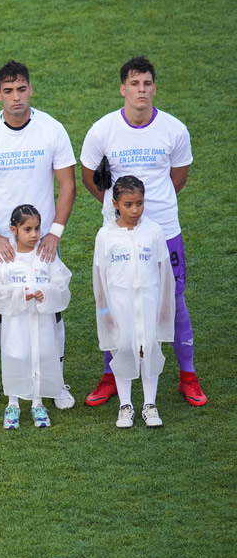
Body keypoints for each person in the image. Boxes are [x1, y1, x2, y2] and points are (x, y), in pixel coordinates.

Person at [79, 56, 203, 407]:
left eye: (147, 84)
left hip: (163, 230)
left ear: (154, 88)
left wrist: (148, 214)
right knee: (111, 301)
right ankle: (111, 375)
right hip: (116, 233)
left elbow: (178, 178)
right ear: (123, 89)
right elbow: (90, 177)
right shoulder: (102, 130)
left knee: (174, 299)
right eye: (134, 84)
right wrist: (120, 212)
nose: (141, 90)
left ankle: (188, 377)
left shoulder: (174, 129)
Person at [0, 61, 76, 413]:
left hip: (41, 243)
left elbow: (67, 184)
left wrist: (54, 233)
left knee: (50, 308)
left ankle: (56, 382)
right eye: (8, 91)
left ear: (31, 89)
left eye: (21, 89)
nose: (16, 97)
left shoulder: (51, 129)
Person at [93, 176, 174, 429]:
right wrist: (105, 312)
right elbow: (100, 278)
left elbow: (164, 273)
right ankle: (125, 405)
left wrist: (163, 308)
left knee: (149, 349)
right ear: (115, 203)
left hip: (149, 302)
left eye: (139, 203)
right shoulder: (105, 236)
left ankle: (149, 404)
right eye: (128, 204)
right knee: (124, 349)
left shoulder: (154, 231)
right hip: (119, 305)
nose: (135, 210)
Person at [0, 204, 72, 430]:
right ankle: (13, 404)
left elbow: (61, 282)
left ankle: (37, 402)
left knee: (40, 356)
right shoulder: (6, 259)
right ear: (14, 230)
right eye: (28, 229)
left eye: (37, 229)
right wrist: (18, 295)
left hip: (41, 321)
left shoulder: (45, 257)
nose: (34, 235)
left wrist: (47, 293)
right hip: (16, 323)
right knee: (16, 355)